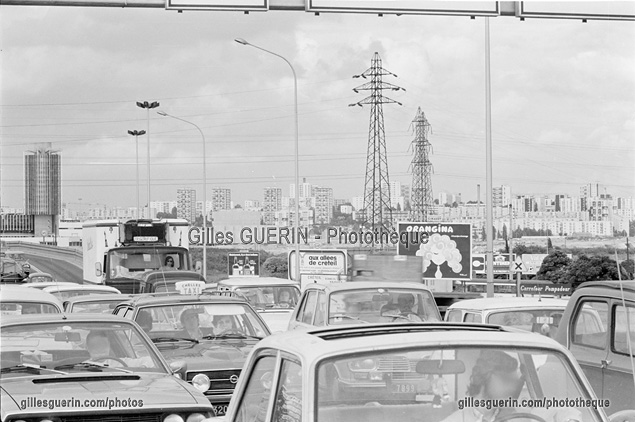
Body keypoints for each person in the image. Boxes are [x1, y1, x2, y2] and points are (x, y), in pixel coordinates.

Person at [441, 350, 580, 422]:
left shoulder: (518, 414)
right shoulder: (456, 420)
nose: (512, 388)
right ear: (487, 376)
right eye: (507, 380)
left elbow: (563, 410)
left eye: (516, 382)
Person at [85, 330, 154, 368]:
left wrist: (143, 367)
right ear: (88, 348)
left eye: (103, 349)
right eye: (96, 351)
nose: (101, 354)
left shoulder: (118, 363)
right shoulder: (82, 367)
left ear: (109, 346)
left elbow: (151, 360)